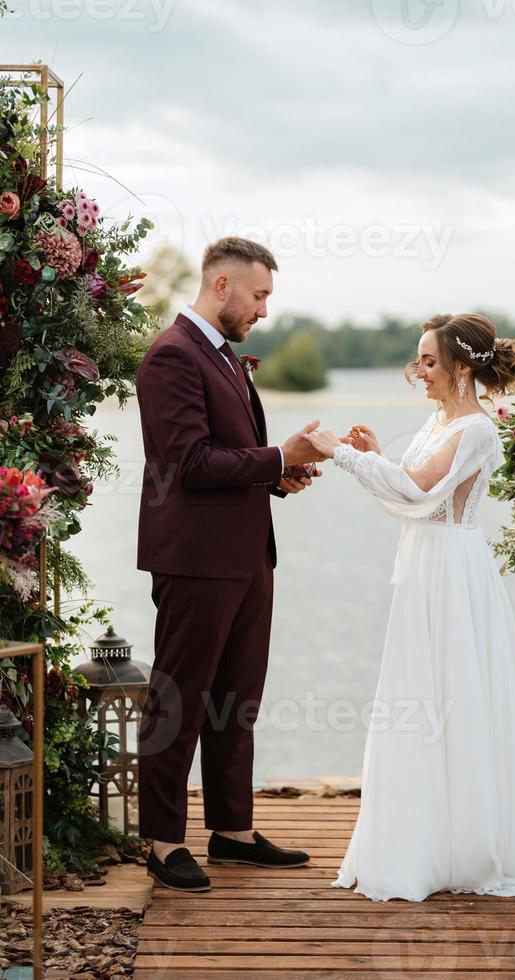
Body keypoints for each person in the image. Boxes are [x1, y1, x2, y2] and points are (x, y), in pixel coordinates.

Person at [304, 312, 515, 905]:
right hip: (424, 564)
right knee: (419, 692)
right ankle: (426, 839)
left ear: (460, 367)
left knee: (455, 691)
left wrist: (341, 455)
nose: (419, 372)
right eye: (418, 360)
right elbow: (415, 488)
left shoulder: (477, 429)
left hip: (453, 571)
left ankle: (466, 844)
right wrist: (378, 455)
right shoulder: (439, 420)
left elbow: (417, 493)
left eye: (429, 361)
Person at [136, 236, 326, 892]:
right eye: (259, 295)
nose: (264, 311)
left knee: (235, 700)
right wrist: (278, 456)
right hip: (194, 560)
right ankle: (163, 843)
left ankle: (232, 831)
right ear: (221, 286)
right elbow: (188, 463)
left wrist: (278, 477)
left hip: (246, 555)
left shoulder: (219, 356)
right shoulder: (171, 356)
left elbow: (226, 456)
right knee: (179, 702)